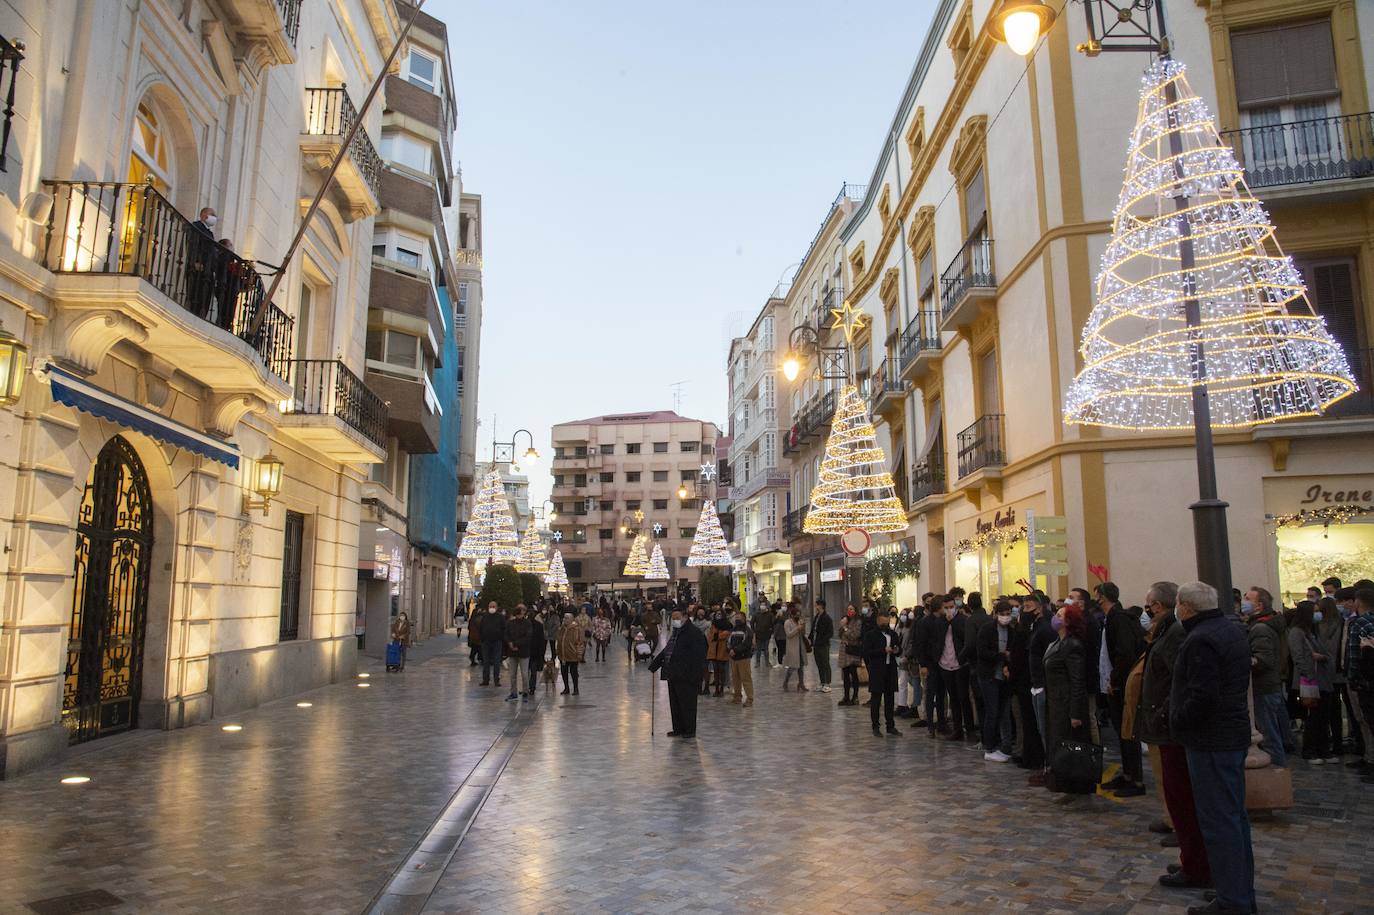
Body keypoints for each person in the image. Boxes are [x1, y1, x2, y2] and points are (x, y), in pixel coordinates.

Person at [1170, 581, 1256, 915]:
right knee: (1234, 819)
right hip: (1228, 736)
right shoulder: (1229, 629)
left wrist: (1178, 718)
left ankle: (1233, 901)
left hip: (1211, 739)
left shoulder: (1202, 638)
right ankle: (1236, 890)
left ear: (1186, 608)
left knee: (1220, 822)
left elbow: (1203, 695)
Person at [1136, 581, 1212, 891]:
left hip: (1172, 727)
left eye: (1149, 603)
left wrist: (1165, 713)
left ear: (1158, 606)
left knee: (1183, 796)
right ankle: (1190, 859)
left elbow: (1178, 682)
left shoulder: (1175, 635)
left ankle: (1195, 864)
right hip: (1165, 725)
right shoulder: (1167, 632)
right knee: (1176, 793)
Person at [1101, 581, 1147, 796]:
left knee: (1128, 731)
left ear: (1102, 597)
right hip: (1114, 682)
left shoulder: (1119, 619)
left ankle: (1135, 779)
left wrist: (1116, 680)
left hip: (1121, 684)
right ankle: (1128, 774)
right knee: (1121, 731)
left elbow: (1123, 653)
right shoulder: (1112, 618)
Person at [1043, 602, 1092, 793]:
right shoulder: (1057, 642)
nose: (1056, 617)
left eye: (1061, 615)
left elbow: (1077, 681)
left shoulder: (1073, 645)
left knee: (1070, 744)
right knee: (1058, 742)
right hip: (1055, 700)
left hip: (1066, 703)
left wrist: (1075, 713)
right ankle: (1061, 780)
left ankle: (1074, 784)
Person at [1243, 586, 1290, 767]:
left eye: (1248, 599)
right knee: (1271, 730)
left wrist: (1244, 662)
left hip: (1263, 686)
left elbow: (1264, 659)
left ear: (1259, 605)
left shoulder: (1261, 628)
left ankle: (1277, 770)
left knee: (1268, 734)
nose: (1244, 602)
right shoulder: (1265, 624)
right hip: (1270, 684)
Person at [650, 606, 708, 737]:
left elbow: (699, 656)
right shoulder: (676, 632)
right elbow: (668, 650)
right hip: (673, 673)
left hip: (687, 675)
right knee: (675, 703)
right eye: (673, 618)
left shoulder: (694, 633)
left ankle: (689, 730)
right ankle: (678, 728)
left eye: (677, 618)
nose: (675, 620)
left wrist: (697, 675)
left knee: (687, 704)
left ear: (685, 617)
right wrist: (655, 664)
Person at [1288, 600, 1333, 762]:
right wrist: (1308, 673)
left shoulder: (1312, 631)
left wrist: (1323, 657)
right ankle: (1310, 750)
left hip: (1321, 678)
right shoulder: (1296, 632)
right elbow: (1298, 656)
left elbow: (1324, 651)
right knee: (1312, 717)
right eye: (1314, 611)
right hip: (1309, 679)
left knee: (1322, 717)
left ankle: (1323, 749)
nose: (1317, 614)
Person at [975, 599, 1017, 762]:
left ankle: (1005, 744)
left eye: (1008, 614)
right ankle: (989, 746)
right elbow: (982, 652)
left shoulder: (1011, 631)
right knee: (992, 711)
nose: (1005, 617)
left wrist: (1007, 662)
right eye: (1003, 614)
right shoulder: (987, 629)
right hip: (988, 675)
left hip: (1003, 676)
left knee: (1004, 711)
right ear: (996, 614)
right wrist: (1001, 656)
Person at [934, 595, 970, 741]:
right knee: (953, 697)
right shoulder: (939, 622)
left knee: (964, 697)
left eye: (951, 607)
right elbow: (937, 640)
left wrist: (953, 622)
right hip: (944, 663)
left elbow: (965, 638)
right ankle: (957, 729)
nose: (949, 610)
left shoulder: (962, 620)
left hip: (960, 663)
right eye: (946, 607)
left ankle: (969, 728)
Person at [863, 607, 902, 736]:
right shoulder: (870, 635)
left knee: (890, 699)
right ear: (878, 621)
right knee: (876, 699)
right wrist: (882, 651)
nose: (884, 625)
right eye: (882, 623)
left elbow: (898, 649)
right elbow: (866, 652)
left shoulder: (893, 634)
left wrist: (896, 650)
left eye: (886, 622)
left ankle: (890, 725)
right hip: (877, 670)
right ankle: (875, 726)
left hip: (890, 669)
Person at [913, 596, 948, 735]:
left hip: (942, 662)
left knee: (941, 694)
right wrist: (923, 664)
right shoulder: (924, 622)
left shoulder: (944, 621)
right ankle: (930, 724)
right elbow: (920, 644)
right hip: (930, 663)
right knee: (930, 693)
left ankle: (941, 723)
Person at [504, 604, 534, 701]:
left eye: (522, 613)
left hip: (523, 652)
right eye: (520, 613)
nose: (521, 615)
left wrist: (516, 644)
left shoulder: (527, 623)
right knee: (512, 674)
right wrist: (510, 644)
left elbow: (528, 637)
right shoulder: (510, 623)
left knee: (524, 674)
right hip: (512, 652)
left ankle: (525, 692)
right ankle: (513, 692)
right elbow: (506, 634)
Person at [837, 606, 864, 706]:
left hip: (853, 649)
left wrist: (845, 628)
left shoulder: (858, 622)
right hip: (844, 650)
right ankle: (846, 696)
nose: (849, 611)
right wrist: (842, 626)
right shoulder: (846, 620)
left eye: (852, 609)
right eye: (848, 609)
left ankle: (855, 696)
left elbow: (855, 635)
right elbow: (840, 635)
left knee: (853, 673)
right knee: (845, 674)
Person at [727, 618, 754, 707]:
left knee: (745, 678)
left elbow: (746, 644)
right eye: (736, 618)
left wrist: (735, 650)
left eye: (739, 617)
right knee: (735, 678)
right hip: (734, 658)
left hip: (743, 657)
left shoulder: (747, 630)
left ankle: (749, 698)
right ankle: (737, 696)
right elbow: (728, 641)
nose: (737, 619)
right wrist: (729, 649)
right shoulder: (733, 630)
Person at [557, 612, 585, 695]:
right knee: (564, 672)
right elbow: (559, 640)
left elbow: (580, 642)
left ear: (571, 619)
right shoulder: (562, 628)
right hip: (563, 655)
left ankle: (576, 689)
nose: (564, 619)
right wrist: (558, 652)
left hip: (573, 655)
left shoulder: (576, 629)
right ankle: (566, 688)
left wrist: (579, 654)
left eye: (566, 618)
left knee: (574, 672)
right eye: (564, 618)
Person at [809, 600, 834, 693]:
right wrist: (810, 639)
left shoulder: (827, 618)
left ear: (821, 606)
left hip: (823, 645)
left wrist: (822, 639)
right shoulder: (816, 617)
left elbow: (830, 633)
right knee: (819, 664)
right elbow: (813, 630)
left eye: (817, 605)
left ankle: (827, 683)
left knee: (825, 663)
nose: (816, 607)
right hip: (816, 644)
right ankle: (822, 682)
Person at [782, 604, 808, 692]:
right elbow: (789, 634)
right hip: (792, 648)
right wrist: (797, 628)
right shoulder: (787, 622)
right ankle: (785, 682)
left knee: (801, 667)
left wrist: (803, 627)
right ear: (792, 615)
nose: (798, 616)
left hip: (800, 647)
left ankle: (801, 684)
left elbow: (803, 634)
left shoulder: (799, 621)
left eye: (799, 614)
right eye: (796, 614)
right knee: (792, 667)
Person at [479, 603, 506, 688]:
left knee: (496, 661)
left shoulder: (500, 617)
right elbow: (481, 627)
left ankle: (496, 680)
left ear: (497, 608)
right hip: (486, 642)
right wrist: (482, 638)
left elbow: (504, 628)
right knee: (485, 661)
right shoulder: (485, 616)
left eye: (493, 607)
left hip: (497, 642)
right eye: (490, 606)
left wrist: (500, 637)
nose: (492, 608)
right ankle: (485, 680)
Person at [706, 614, 731, 697]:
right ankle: (716, 689)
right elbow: (710, 636)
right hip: (714, 650)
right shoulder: (713, 625)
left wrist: (718, 636)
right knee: (716, 670)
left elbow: (726, 634)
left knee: (722, 669)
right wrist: (715, 638)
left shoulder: (727, 625)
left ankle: (722, 689)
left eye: (720, 614)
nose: (718, 616)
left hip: (722, 649)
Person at [751, 602, 775, 668]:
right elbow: (752, 622)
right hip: (758, 634)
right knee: (758, 649)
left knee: (766, 649)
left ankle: (767, 662)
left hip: (767, 634)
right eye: (762, 605)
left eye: (764, 605)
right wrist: (754, 631)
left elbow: (773, 623)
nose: (763, 606)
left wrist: (771, 631)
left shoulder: (770, 614)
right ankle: (758, 662)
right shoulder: (756, 614)